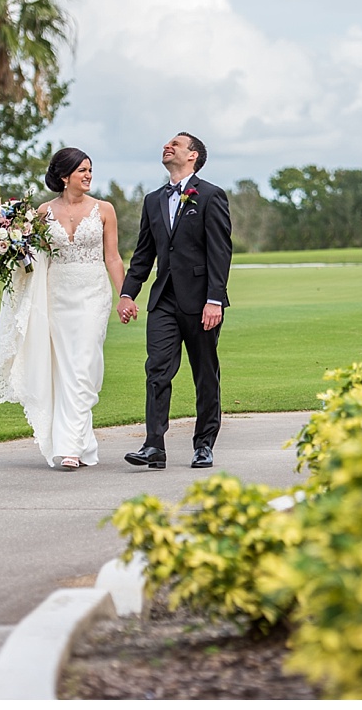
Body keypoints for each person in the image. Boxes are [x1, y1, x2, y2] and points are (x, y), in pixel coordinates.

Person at [0, 147, 126, 470]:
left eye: (90, 169)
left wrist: (125, 296)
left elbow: (113, 258)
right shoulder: (42, 213)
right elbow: (31, 259)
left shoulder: (105, 210)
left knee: (84, 366)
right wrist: (6, 248)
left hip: (93, 294)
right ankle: (74, 446)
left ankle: (73, 443)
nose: (88, 175)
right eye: (82, 170)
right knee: (66, 369)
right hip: (56, 296)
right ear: (65, 177)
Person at [118, 132, 232, 470]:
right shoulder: (153, 200)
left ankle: (204, 444)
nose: (168, 146)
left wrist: (215, 299)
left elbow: (220, 252)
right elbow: (144, 253)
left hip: (201, 303)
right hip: (163, 300)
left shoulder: (211, 196)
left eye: (176, 144)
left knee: (204, 374)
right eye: (167, 144)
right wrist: (128, 292)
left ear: (193, 156)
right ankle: (154, 445)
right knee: (157, 370)